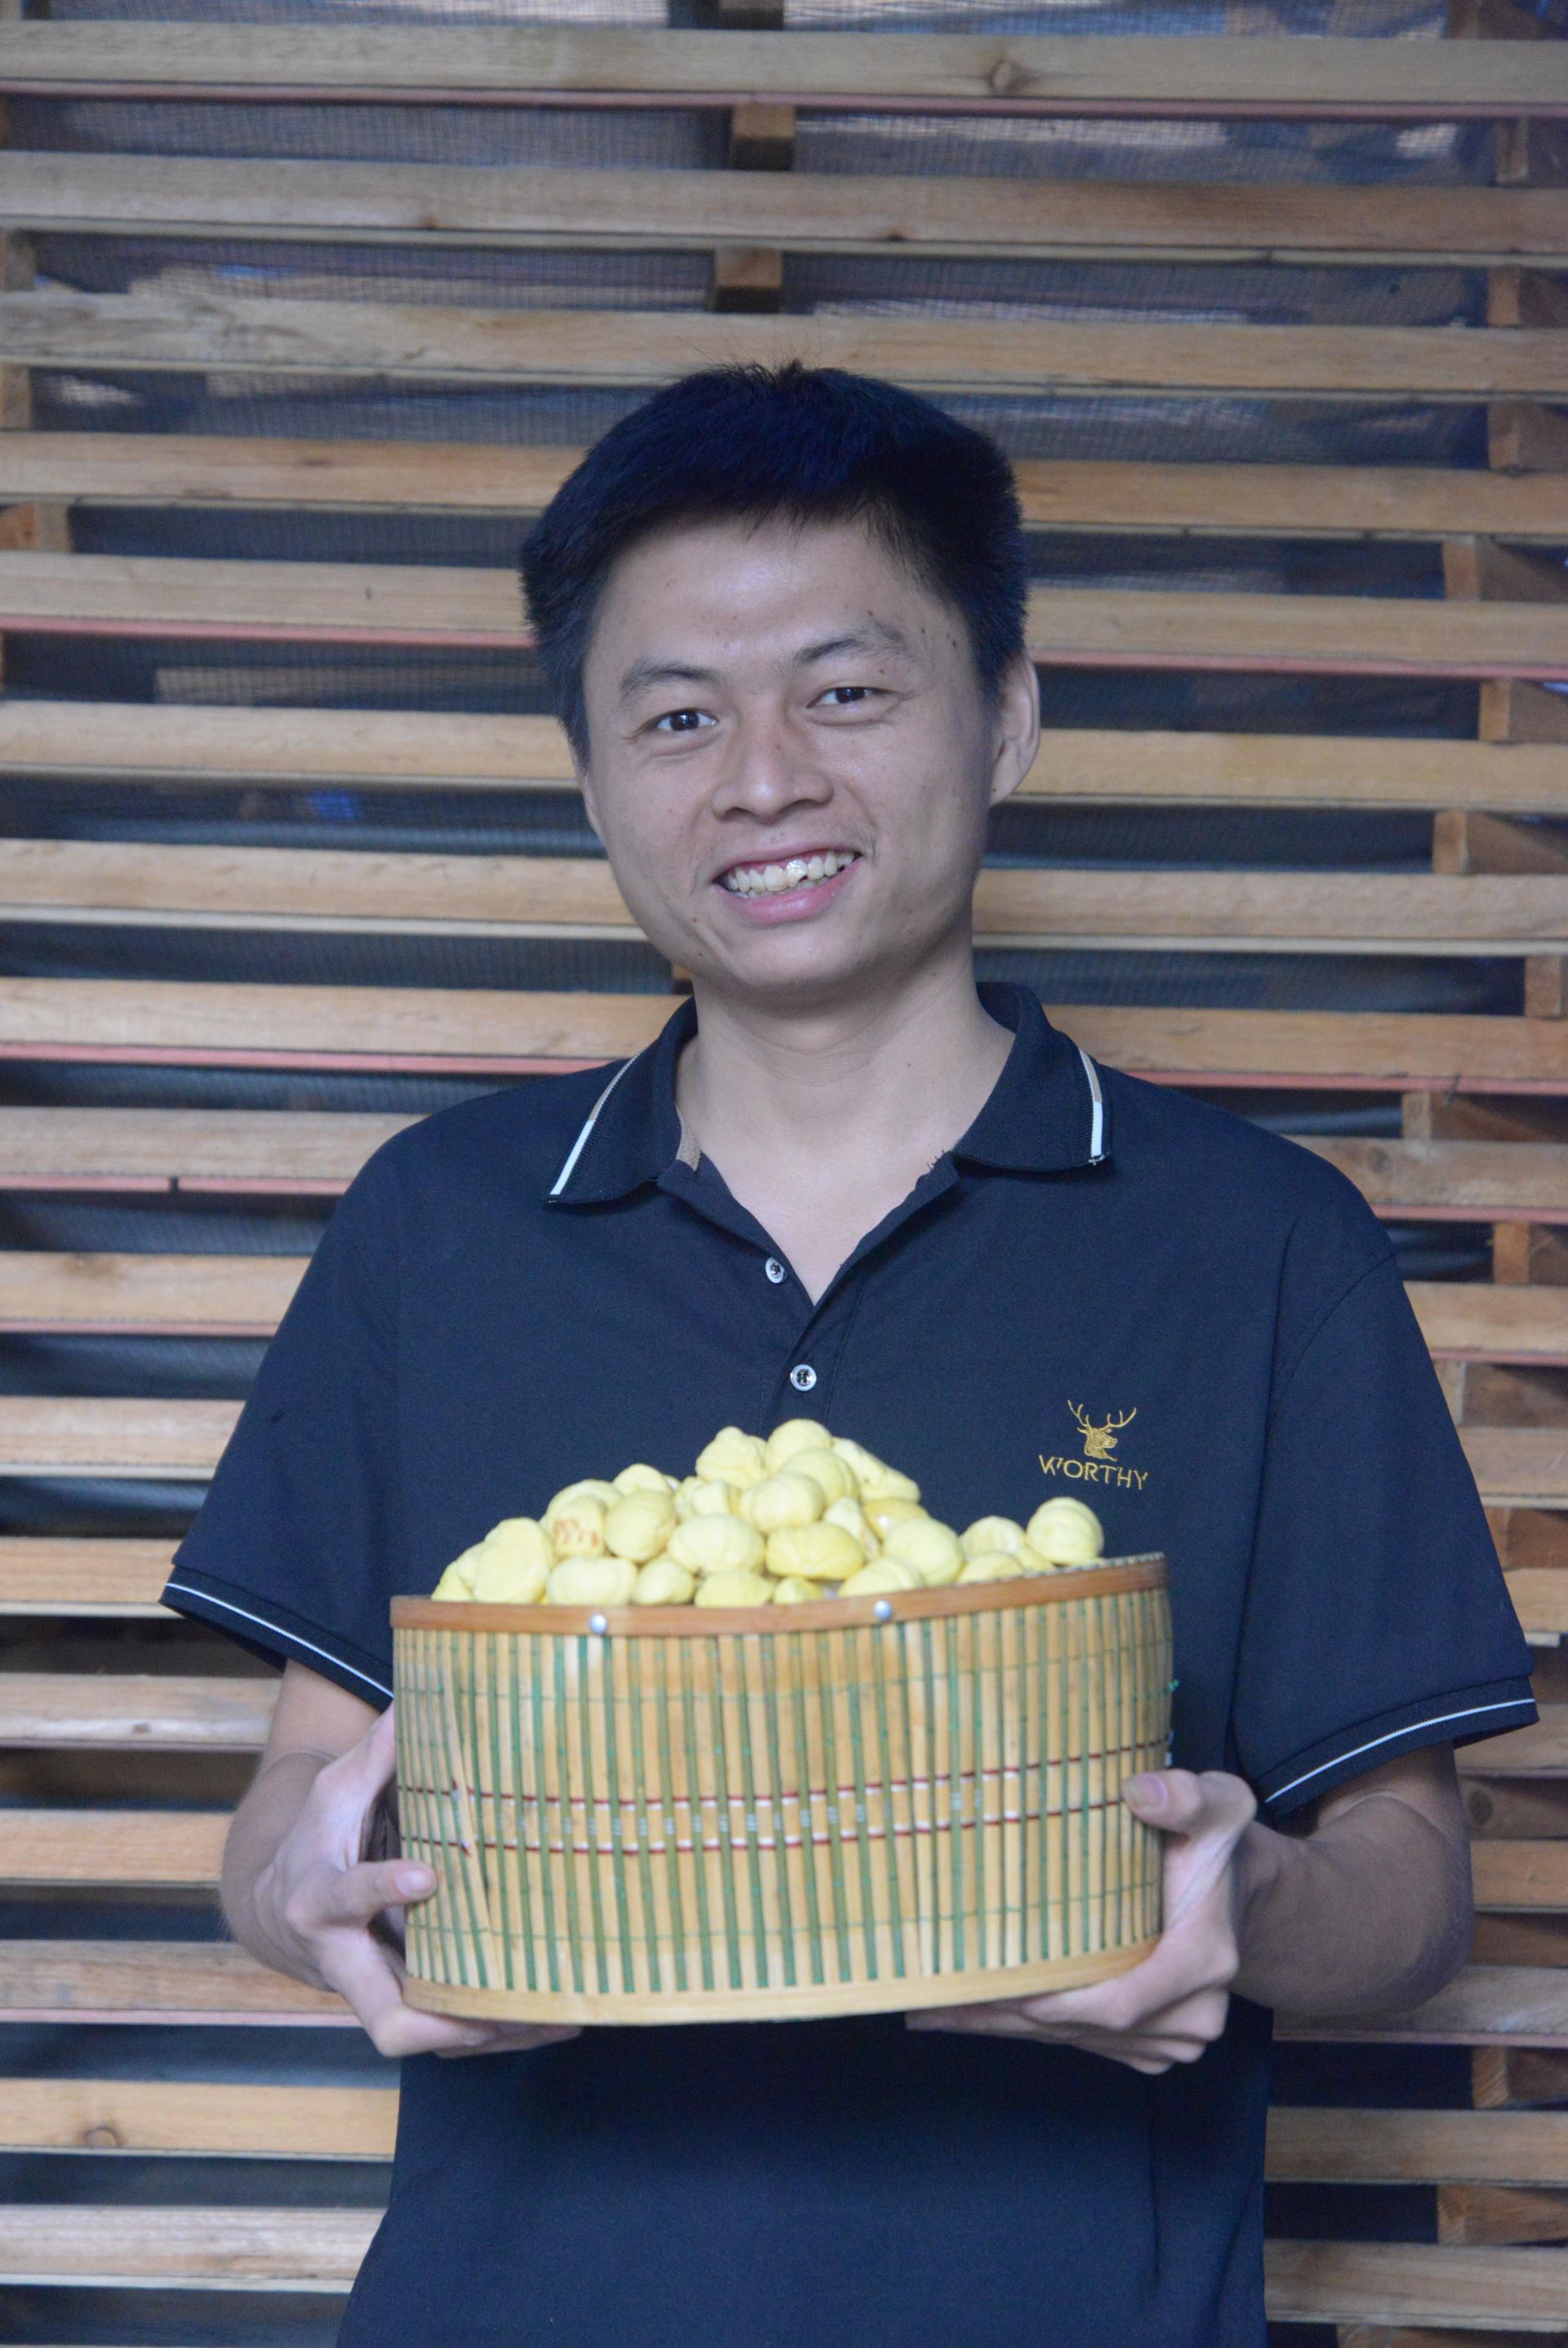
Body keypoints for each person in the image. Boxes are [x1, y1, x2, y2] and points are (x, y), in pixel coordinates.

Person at [164, 363, 1535, 2348]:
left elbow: (1412, 1883)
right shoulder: (439, 1225)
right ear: (591, 781)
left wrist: (1243, 1904)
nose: (764, 778)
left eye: (847, 689)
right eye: (678, 716)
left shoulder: (1259, 1243)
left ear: (1010, 714)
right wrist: (300, 1898)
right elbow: (296, 1796)